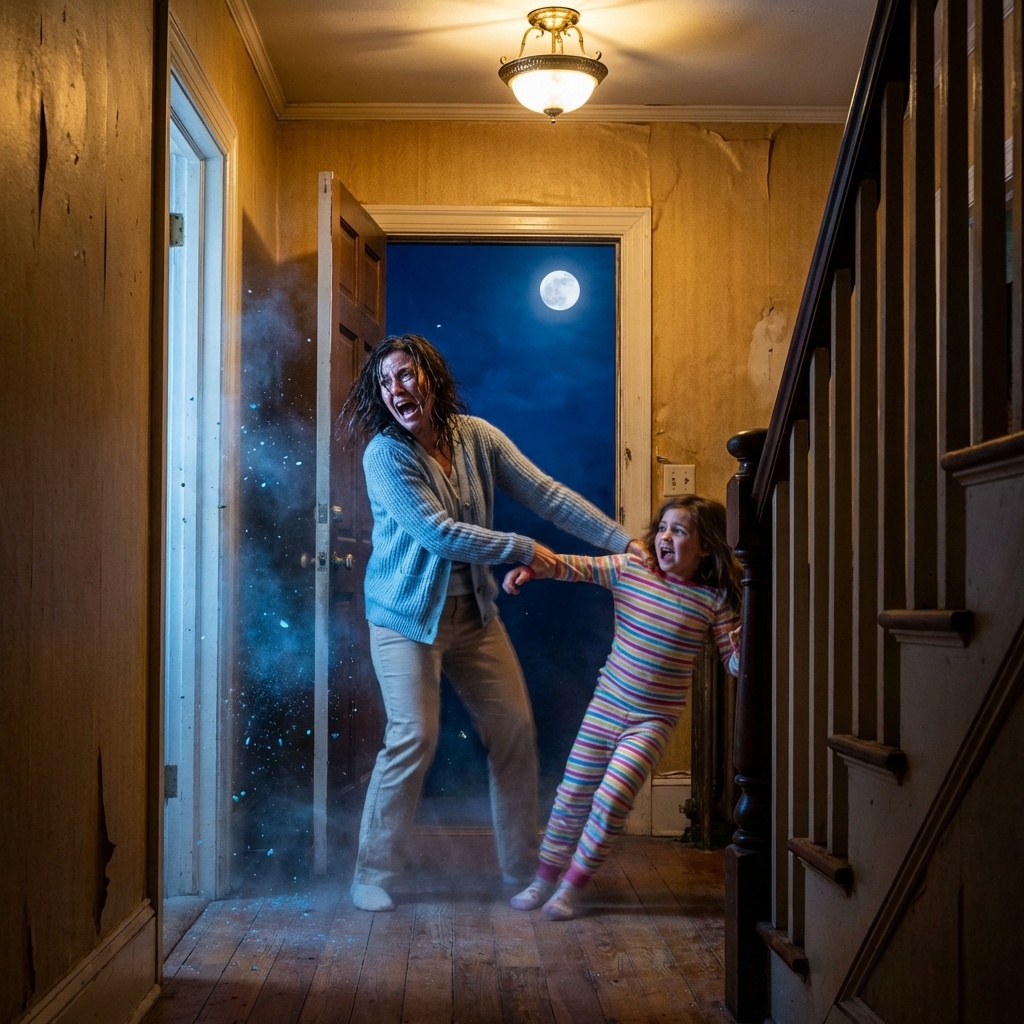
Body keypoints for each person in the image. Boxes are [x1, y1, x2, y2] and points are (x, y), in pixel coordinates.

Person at [337, 333, 641, 912]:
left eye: (406, 375)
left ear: (432, 378)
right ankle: (370, 872)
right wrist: (523, 548)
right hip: (404, 619)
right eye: (386, 382)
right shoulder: (384, 455)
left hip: (474, 615)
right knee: (414, 735)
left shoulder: (476, 436)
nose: (397, 389)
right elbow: (438, 534)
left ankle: (522, 868)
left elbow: (547, 495)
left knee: (515, 729)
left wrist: (623, 543)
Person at [502, 494, 742, 920]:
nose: (665, 537)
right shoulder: (632, 569)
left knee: (612, 800)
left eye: (679, 531)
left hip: (652, 722)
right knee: (572, 794)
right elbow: (576, 566)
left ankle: (570, 888)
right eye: (663, 528)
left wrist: (750, 638)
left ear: (705, 546)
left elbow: (734, 663)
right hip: (605, 708)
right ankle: (543, 880)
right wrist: (536, 568)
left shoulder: (714, 599)